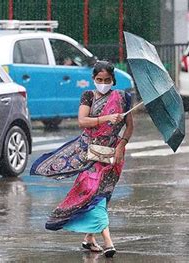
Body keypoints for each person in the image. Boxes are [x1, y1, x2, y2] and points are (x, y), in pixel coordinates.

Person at [30, 60, 134, 258]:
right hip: (90, 152)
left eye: (107, 80)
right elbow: (82, 121)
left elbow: (130, 127)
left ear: (114, 80)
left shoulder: (123, 98)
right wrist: (106, 119)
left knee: (103, 195)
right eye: (99, 79)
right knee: (94, 192)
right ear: (93, 79)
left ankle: (89, 238)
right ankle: (109, 242)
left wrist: (122, 145)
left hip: (113, 154)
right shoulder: (88, 96)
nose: (103, 83)